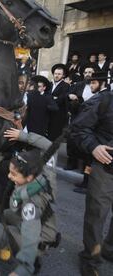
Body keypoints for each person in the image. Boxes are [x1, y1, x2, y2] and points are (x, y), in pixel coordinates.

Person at [0, 129, 62, 276]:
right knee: (1, 214)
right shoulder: (44, 173)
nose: (9, 176)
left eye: (14, 174)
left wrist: (24, 269)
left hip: (36, 237)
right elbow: (50, 146)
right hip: (29, 223)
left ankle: (34, 260)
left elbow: (31, 235)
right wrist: (22, 136)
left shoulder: (32, 203)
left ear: (29, 177)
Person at [70, 71, 113, 276]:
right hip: (105, 167)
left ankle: (109, 250)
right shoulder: (103, 101)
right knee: (97, 214)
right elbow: (78, 129)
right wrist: (94, 146)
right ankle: (90, 258)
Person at [64, 65, 95, 173]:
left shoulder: (97, 86)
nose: (87, 74)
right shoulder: (78, 85)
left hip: (91, 119)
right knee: (72, 140)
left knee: (86, 142)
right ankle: (71, 163)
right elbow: (68, 96)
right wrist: (71, 97)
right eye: (86, 72)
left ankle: (84, 167)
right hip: (77, 117)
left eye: (90, 72)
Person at [48, 63, 70, 141]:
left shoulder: (66, 86)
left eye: (59, 74)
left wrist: (51, 98)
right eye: (55, 74)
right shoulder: (49, 84)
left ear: (63, 75)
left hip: (58, 115)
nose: (56, 75)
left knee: (54, 136)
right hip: (47, 114)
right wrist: (53, 98)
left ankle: (53, 152)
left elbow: (60, 100)